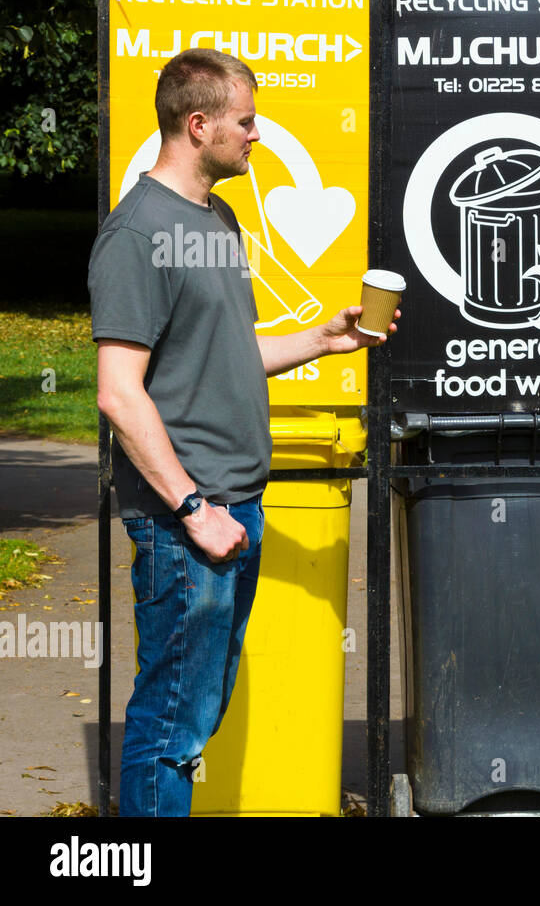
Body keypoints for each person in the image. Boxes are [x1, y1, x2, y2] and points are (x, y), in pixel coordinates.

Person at [88, 48, 397, 816]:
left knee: (193, 717)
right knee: (171, 722)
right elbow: (120, 395)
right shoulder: (137, 234)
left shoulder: (216, 218)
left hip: (232, 505)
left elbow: (227, 354)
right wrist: (194, 510)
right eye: (245, 123)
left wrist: (323, 340)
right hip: (185, 518)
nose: (256, 137)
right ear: (199, 126)